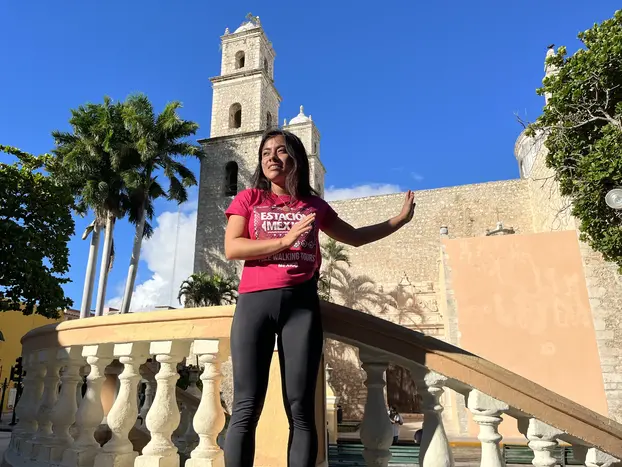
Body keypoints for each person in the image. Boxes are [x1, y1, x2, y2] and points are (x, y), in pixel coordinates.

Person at [222, 129, 416, 467]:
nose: (271, 157)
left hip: (301, 306)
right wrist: (284, 242)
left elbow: (354, 237)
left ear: (296, 158)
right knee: (246, 407)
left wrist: (398, 221)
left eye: (280, 150)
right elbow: (233, 247)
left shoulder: (313, 205)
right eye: (265, 152)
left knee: (300, 408)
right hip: (254, 304)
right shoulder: (249, 199)